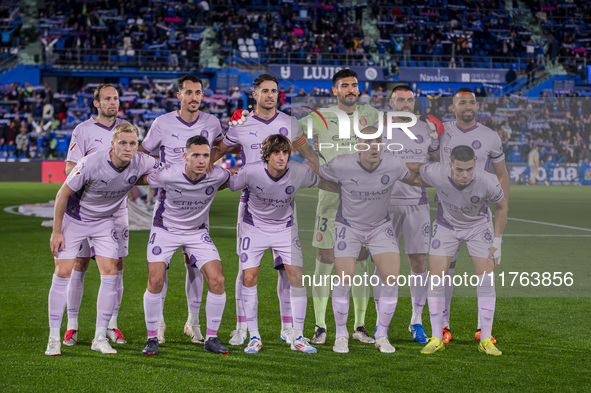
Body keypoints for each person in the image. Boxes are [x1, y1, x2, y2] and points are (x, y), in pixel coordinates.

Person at [211, 73, 318, 347]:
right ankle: (241, 328)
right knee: (246, 271)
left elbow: (310, 156)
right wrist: (196, 171)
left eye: (274, 91)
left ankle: (288, 328)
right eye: (265, 91)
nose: (271, 95)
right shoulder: (241, 124)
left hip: (284, 205)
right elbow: (217, 152)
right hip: (251, 206)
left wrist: (324, 168)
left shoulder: (290, 123)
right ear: (254, 94)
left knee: (288, 271)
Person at [46, 123, 160, 356]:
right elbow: (62, 194)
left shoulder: (142, 161)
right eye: (122, 143)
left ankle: (99, 337)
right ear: (112, 144)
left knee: (111, 272)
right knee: (63, 272)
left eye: (132, 143)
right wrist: (57, 231)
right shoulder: (91, 162)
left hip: (104, 222)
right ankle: (54, 338)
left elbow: (168, 169)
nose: (128, 148)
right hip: (75, 219)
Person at [319, 127, 427, 354]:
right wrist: (341, 188)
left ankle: (382, 335)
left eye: (377, 141)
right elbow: (319, 175)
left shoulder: (394, 164)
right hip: (348, 226)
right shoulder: (341, 164)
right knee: (344, 278)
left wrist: (447, 183)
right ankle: (341, 335)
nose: (373, 146)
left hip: (380, 227)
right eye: (367, 142)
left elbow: (415, 179)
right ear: (358, 145)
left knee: (390, 278)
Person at [139, 74, 224, 345]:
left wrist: (209, 162)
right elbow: (143, 151)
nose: (194, 97)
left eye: (198, 92)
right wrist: (162, 170)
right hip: (169, 205)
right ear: (179, 95)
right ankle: (159, 324)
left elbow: (222, 146)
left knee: (195, 266)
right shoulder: (162, 123)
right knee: (158, 272)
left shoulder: (212, 122)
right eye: (189, 92)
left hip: (198, 210)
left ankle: (194, 322)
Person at [299, 69, 381, 345]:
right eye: (344, 85)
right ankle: (320, 326)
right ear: (334, 90)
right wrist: (312, 157)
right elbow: (291, 133)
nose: (350, 89)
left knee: (361, 260)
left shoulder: (371, 114)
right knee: (325, 258)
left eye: (354, 85)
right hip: (331, 197)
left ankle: (359, 326)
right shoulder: (319, 117)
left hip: (364, 201)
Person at [227, 134, 320, 354]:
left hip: (284, 229)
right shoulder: (251, 171)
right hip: (254, 228)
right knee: (249, 277)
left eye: (285, 152)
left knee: (296, 277)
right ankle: (254, 337)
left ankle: (297, 336)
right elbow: (229, 183)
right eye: (276, 153)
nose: (281, 157)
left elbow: (321, 177)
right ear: (267, 156)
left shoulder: (298, 172)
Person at [140, 135, 231, 356]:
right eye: (196, 155)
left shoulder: (218, 174)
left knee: (218, 280)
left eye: (206, 156)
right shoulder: (168, 174)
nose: (201, 160)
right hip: (165, 230)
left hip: (196, 232)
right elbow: (138, 179)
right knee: (155, 279)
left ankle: (211, 337)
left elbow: (239, 178)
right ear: (185, 156)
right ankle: (152, 337)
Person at [434, 87, 509, 344]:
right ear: (453, 107)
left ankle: (482, 329)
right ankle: (443, 326)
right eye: (462, 102)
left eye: (472, 102)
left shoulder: (490, 136)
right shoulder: (441, 131)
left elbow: (501, 175)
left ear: (478, 107)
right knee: (445, 272)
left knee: (486, 273)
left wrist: (503, 204)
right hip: (447, 214)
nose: (468, 105)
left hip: (479, 216)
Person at [417, 145, 507, 356]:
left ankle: (485, 338)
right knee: (436, 279)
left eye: (469, 169)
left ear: (475, 165)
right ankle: (437, 337)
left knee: (486, 280)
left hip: (478, 228)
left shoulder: (487, 180)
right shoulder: (436, 172)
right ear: (450, 165)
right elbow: (411, 171)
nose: (465, 175)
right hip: (446, 227)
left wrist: (498, 241)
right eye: (459, 170)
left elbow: (502, 206)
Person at [62, 84, 130, 347]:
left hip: (117, 210)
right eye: (107, 99)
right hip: (86, 210)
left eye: (115, 98)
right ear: (96, 103)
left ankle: (112, 325)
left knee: (117, 266)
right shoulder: (83, 130)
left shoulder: (126, 129)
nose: (113, 102)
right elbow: (69, 167)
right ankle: (72, 326)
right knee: (79, 264)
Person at [375, 85, 440, 344]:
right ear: (391, 102)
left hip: (417, 202)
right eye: (400, 100)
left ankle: (416, 320)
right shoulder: (379, 127)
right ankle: (383, 324)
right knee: (384, 265)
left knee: (419, 262)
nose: (405, 104)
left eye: (410, 100)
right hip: (385, 203)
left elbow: (438, 155)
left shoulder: (425, 128)